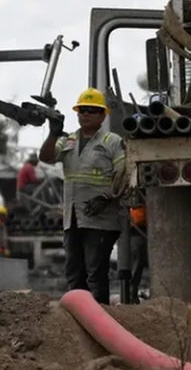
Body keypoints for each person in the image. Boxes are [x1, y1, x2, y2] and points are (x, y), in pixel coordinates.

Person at [39, 87, 124, 304]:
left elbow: (124, 174)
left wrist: (106, 197)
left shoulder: (112, 142)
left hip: (101, 221)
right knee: (74, 273)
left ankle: (100, 319)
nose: (85, 114)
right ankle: (80, 320)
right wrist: (53, 133)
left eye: (91, 110)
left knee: (95, 273)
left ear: (102, 115)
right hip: (73, 219)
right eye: (82, 110)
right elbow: (46, 157)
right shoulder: (67, 140)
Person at [129, 204, 148, 303]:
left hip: (140, 227)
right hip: (136, 229)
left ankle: (132, 296)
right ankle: (131, 296)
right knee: (135, 266)